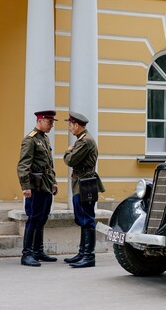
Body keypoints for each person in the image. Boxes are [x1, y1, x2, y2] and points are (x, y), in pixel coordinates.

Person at [17, 110, 58, 267]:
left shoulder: (44, 139)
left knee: (42, 218)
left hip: (46, 184)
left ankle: (38, 251)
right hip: (35, 185)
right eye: (49, 123)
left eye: (52, 123)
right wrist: (26, 186)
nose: (51, 126)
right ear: (40, 121)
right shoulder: (30, 140)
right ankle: (27, 254)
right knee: (33, 218)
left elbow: (49, 163)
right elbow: (23, 165)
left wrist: (54, 182)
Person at [63, 112, 105, 268]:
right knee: (83, 219)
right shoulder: (82, 139)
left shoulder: (85, 141)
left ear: (76, 125)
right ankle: (82, 253)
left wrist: (68, 151)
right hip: (81, 183)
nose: (69, 128)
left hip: (85, 184)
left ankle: (88, 256)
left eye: (70, 125)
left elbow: (71, 160)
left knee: (87, 220)